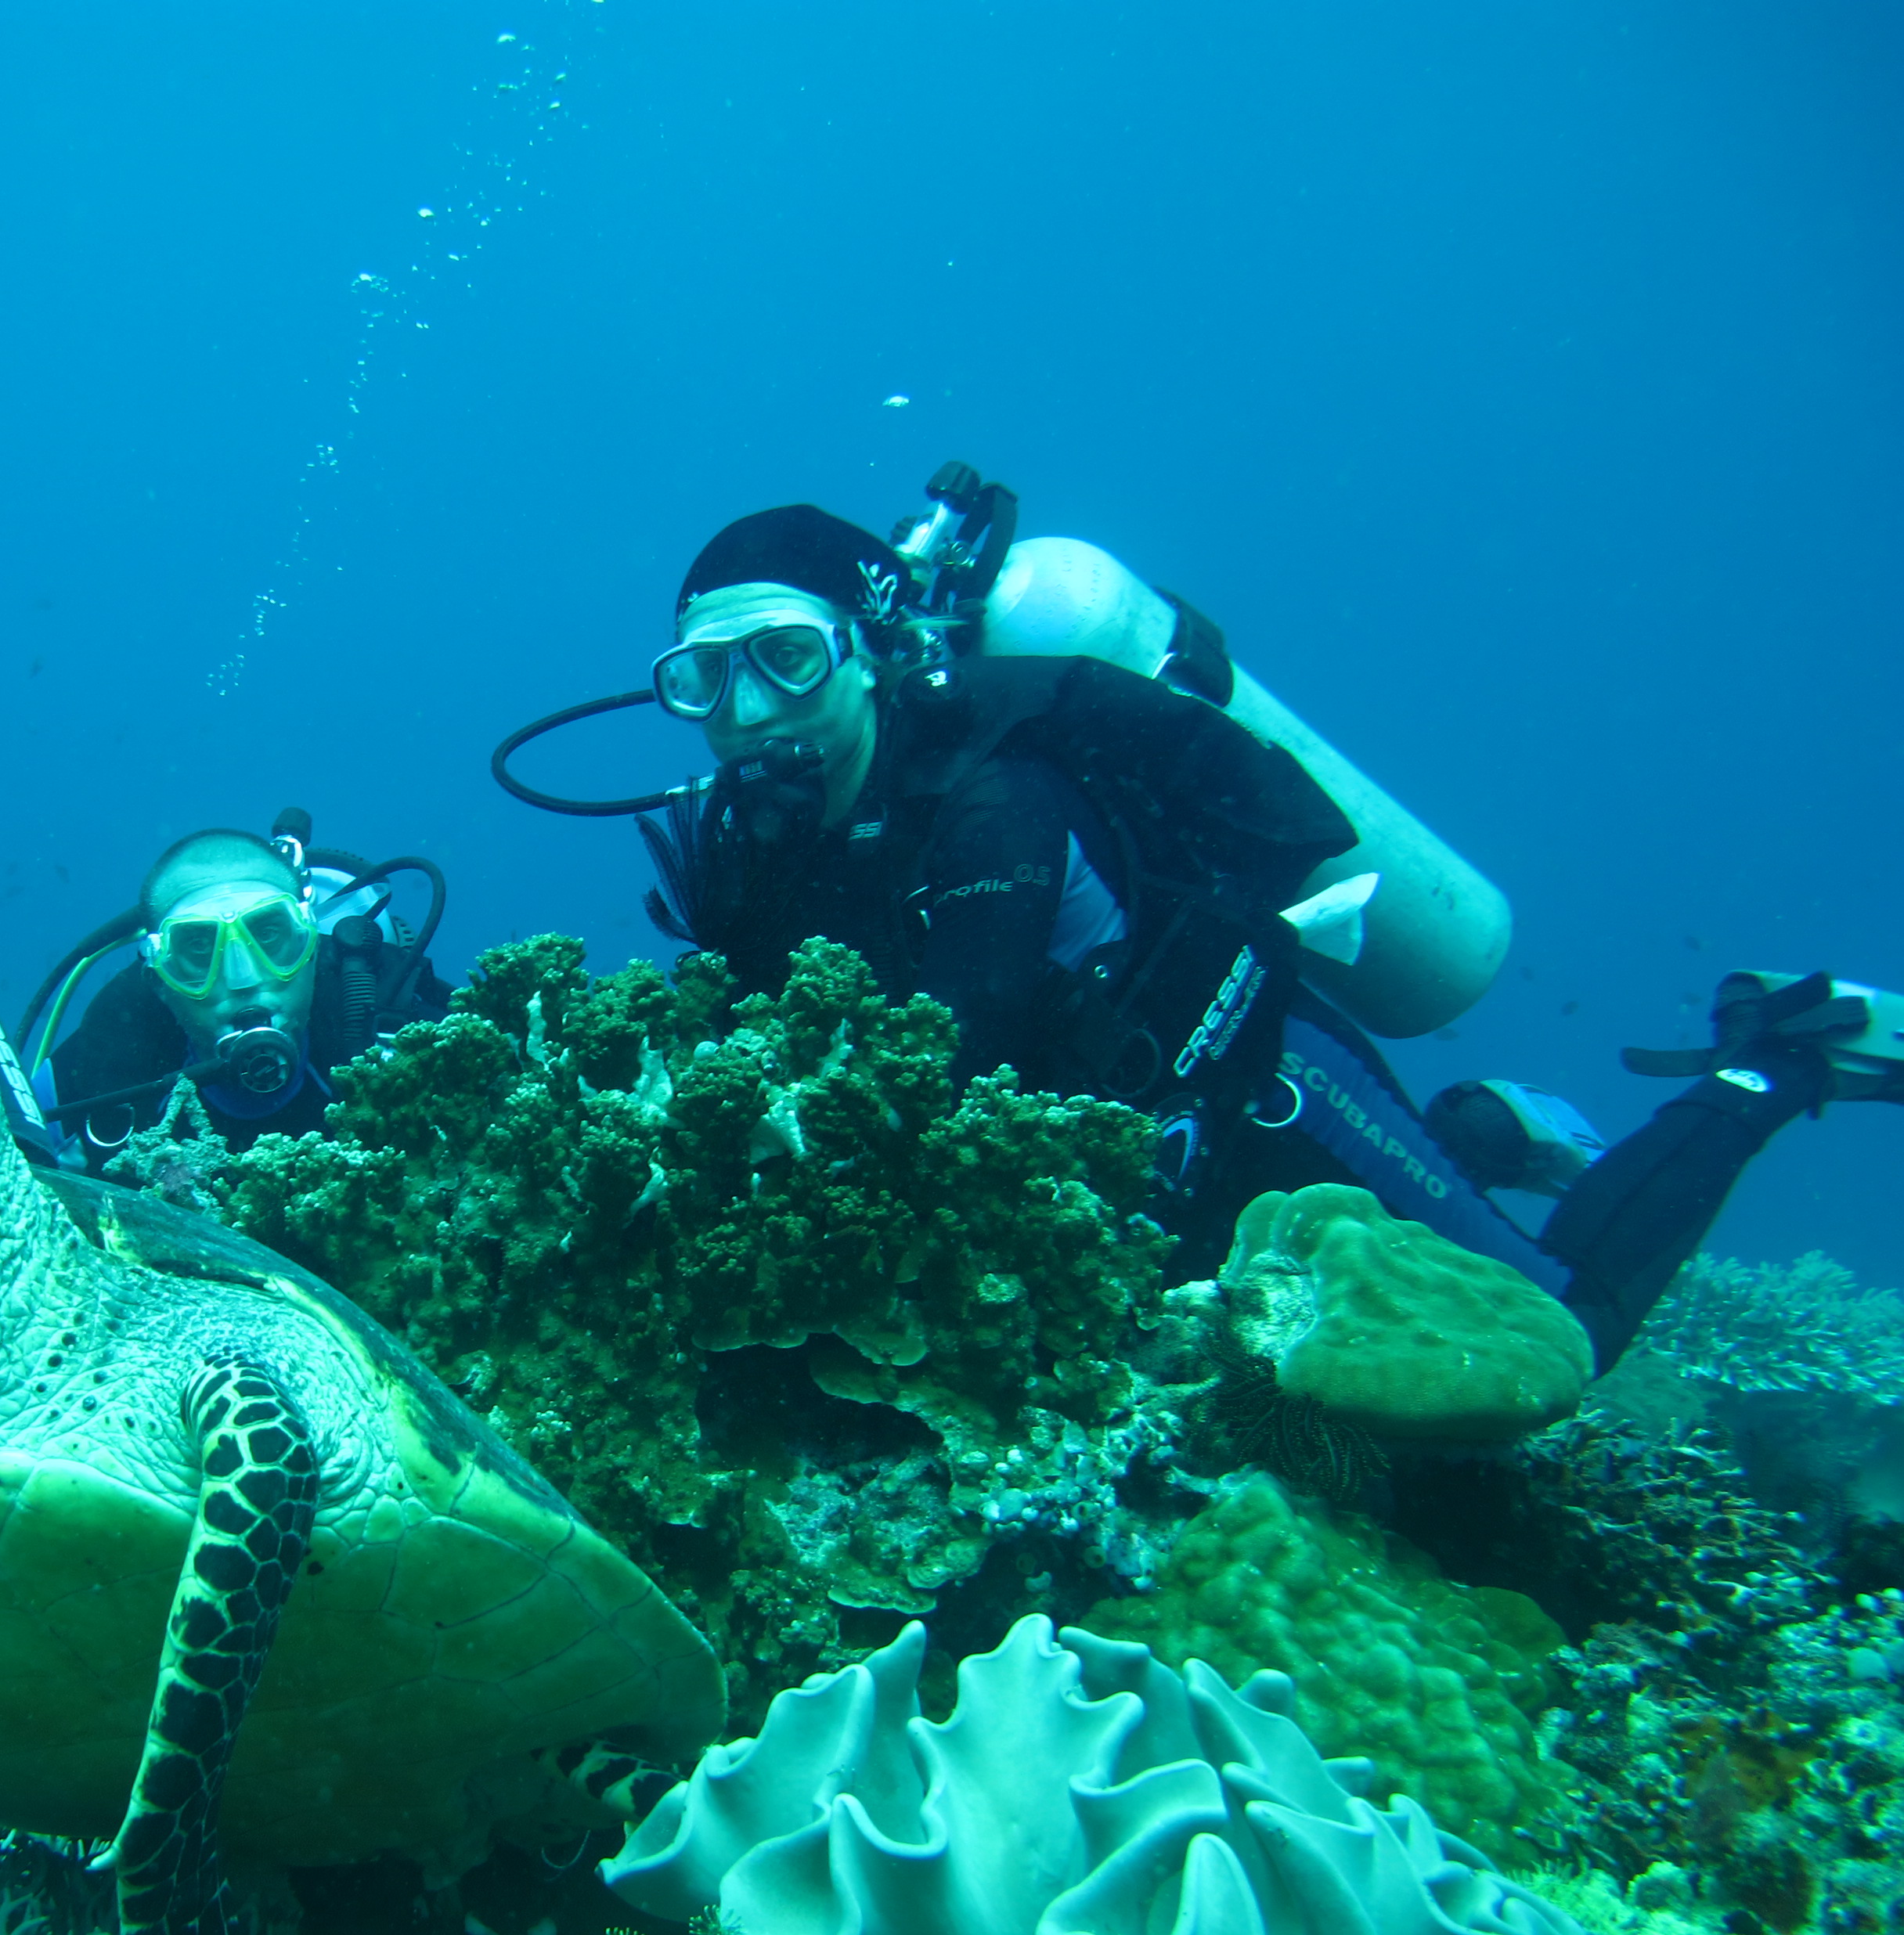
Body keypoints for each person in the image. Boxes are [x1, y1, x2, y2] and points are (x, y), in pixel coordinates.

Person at [608, 494, 1900, 1371]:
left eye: (781, 656)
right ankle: (1490, 1130)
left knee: (1555, 1334)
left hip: (1255, 1102)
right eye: (700, 676)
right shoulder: (740, 845)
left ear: (869, 647)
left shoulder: (988, 800)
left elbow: (952, 1067)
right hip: (1102, 1188)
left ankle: (1769, 1058)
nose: (740, 711)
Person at [27, 816, 448, 1168]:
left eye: (269, 933)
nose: (244, 978)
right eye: (198, 946)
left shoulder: (405, 1020)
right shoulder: (85, 1083)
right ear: (159, 981)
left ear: (313, 949)